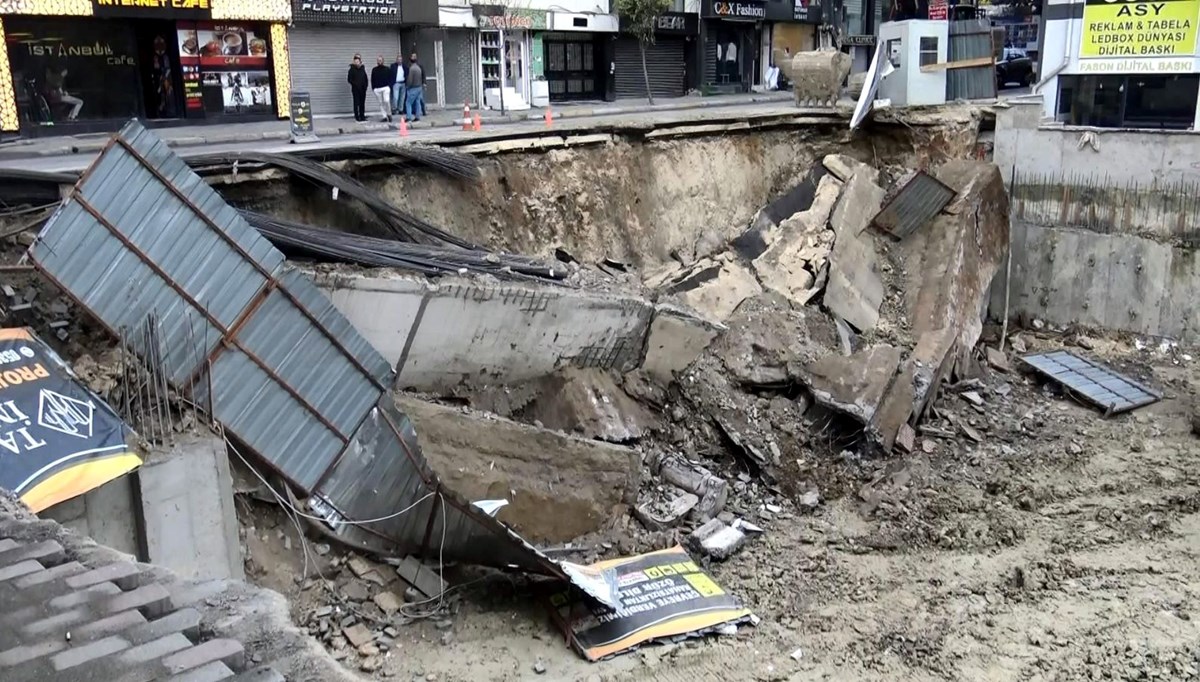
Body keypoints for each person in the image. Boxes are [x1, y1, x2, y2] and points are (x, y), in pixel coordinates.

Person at [370, 55, 392, 122]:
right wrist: (373, 88)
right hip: (377, 89)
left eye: (380, 60)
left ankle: (389, 114)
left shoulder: (387, 69)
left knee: (386, 101)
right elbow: (372, 79)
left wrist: (389, 85)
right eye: (378, 60)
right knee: (380, 103)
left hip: (385, 87)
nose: (379, 61)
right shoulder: (374, 69)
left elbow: (391, 78)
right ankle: (384, 116)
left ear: (383, 61)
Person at [346, 54, 368, 122]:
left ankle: (362, 116)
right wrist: (355, 84)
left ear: (360, 61)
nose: (356, 63)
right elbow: (349, 79)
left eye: (358, 61)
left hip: (363, 89)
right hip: (355, 89)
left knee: (362, 103)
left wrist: (365, 86)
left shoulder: (362, 69)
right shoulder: (351, 70)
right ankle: (357, 116)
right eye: (355, 61)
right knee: (356, 103)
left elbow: (365, 78)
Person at [404, 52, 424, 123]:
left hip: (413, 88)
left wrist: (407, 86)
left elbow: (410, 80)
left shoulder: (412, 69)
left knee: (408, 103)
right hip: (419, 87)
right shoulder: (418, 68)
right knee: (417, 102)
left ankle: (409, 117)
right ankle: (417, 116)